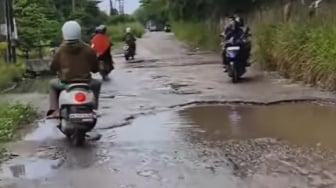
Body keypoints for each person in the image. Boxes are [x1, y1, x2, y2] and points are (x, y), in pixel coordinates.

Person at [47, 20, 101, 118]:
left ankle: (55, 110)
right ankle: (93, 108)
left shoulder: (60, 50)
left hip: (65, 83)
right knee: (97, 83)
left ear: (64, 33)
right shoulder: (88, 49)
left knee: (52, 84)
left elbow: (53, 67)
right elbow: (95, 68)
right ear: (78, 33)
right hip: (86, 83)